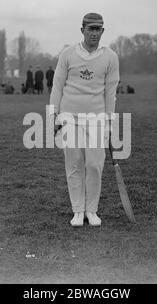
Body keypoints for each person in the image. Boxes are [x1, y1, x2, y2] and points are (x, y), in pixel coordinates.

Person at [49, 12, 119, 227]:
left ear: (103, 31)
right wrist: (53, 116)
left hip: (97, 119)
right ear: (82, 30)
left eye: (98, 29)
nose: (94, 33)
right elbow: (57, 86)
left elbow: (110, 92)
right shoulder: (67, 54)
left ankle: (92, 210)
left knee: (94, 165)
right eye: (91, 29)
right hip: (69, 117)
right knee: (74, 165)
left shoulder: (110, 57)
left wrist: (109, 121)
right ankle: (78, 211)